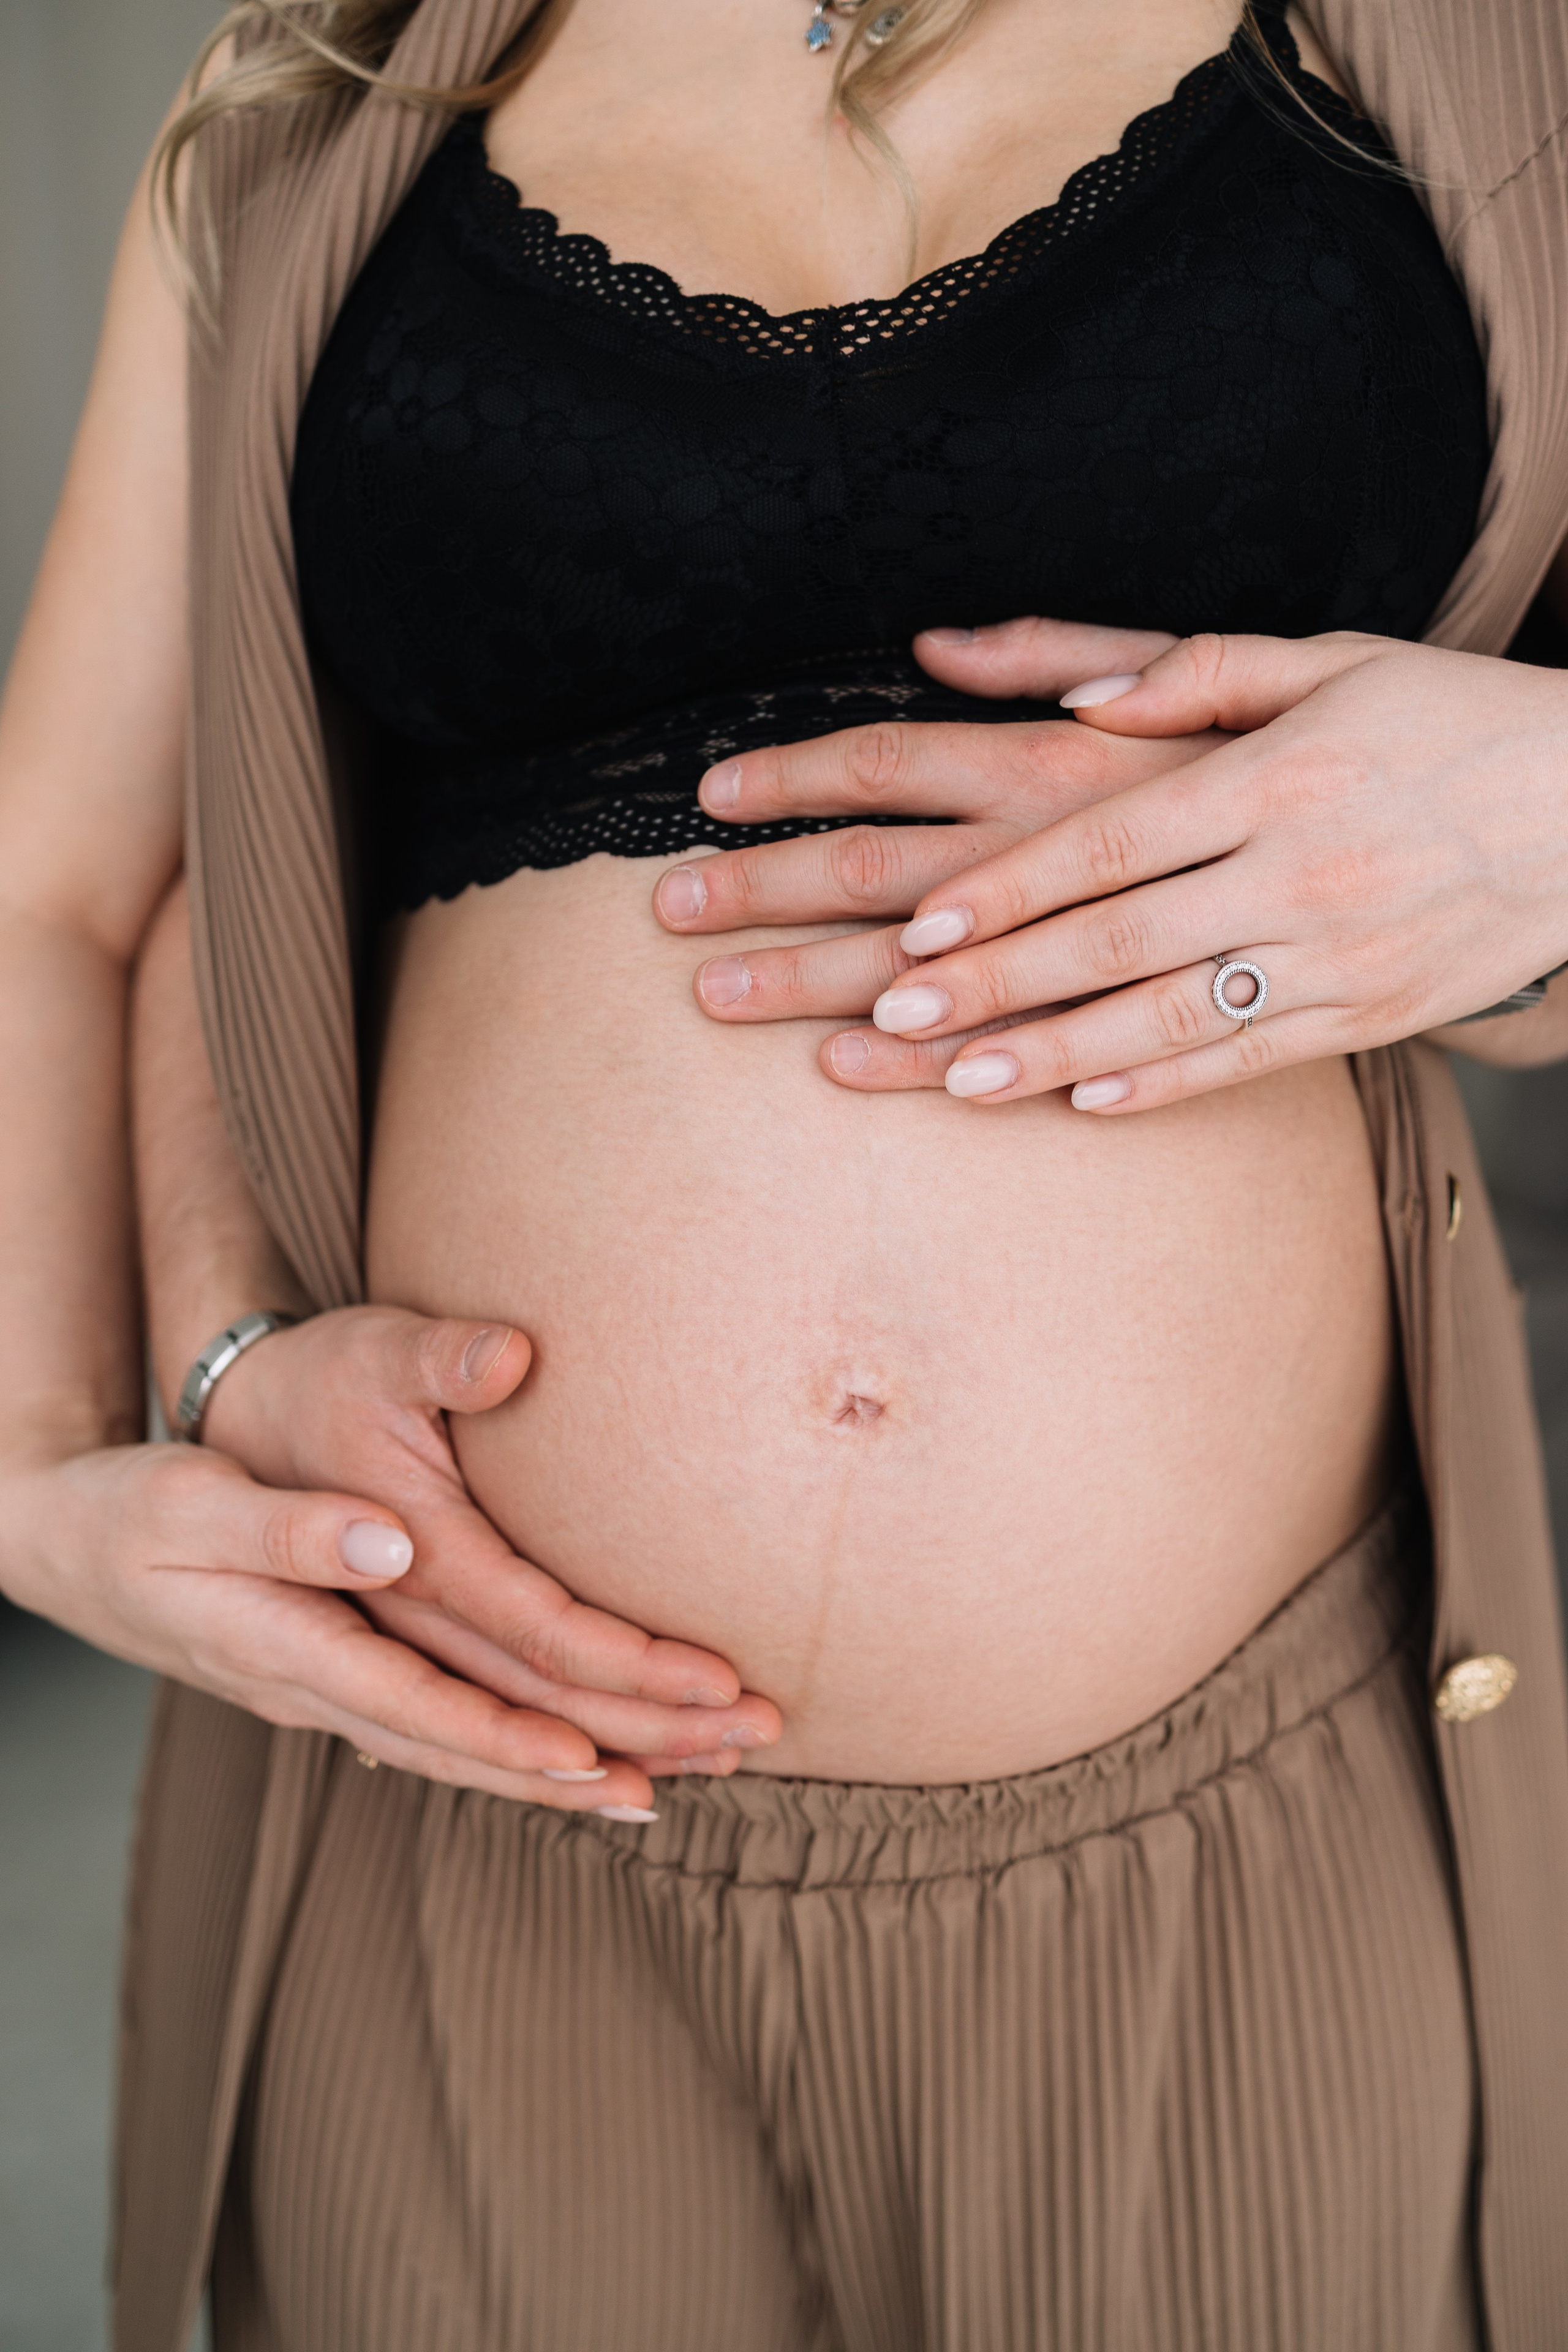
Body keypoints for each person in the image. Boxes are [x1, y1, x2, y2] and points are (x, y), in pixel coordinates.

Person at [2, 0, 1567, 2343]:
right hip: (465, 1816)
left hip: (1229, 1853)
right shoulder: (320, 81)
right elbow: (73, 877)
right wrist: (51, 1457)